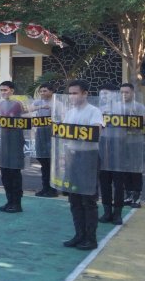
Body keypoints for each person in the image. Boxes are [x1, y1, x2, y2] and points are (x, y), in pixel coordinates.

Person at [59, 79, 103, 250]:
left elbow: (96, 131)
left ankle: (90, 238)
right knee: (74, 199)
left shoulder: (94, 111)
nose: (72, 96)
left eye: (75, 93)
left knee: (88, 200)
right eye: (70, 93)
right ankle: (79, 235)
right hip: (73, 157)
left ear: (85, 93)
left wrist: (75, 134)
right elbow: (63, 135)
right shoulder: (70, 112)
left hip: (89, 157)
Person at [114, 83, 145, 210]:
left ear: (133, 93)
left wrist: (133, 115)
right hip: (121, 143)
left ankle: (137, 196)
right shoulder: (116, 106)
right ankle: (128, 195)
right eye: (122, 92)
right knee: (124, 169)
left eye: (126, 92)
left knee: (135, 170)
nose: (124, 94)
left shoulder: (138, 106)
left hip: (135, 142)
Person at [0, 81, 28, 214]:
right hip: (4, 140)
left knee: (14, 172)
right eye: (1, 90)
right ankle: (9, 201)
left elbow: (27, 115)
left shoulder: (19, 103)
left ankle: (17, 203)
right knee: (5, 172)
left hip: (16, 139)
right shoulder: (1, 104)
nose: (3, 92)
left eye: (5, 90)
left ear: (12, 91)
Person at [31, 83, 59, 197]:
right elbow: (28, 109)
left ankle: (53, 189)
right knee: (43, 162)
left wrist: (51, 109)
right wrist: (41, 107)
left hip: (52, 135)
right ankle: (45, 187)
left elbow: (61, 118)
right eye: (41, 91)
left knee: (52, 163)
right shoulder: (38, 102)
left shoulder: (58, 103)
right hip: (40, 134)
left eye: (45, 91)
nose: (42, 93)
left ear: (52, 91)